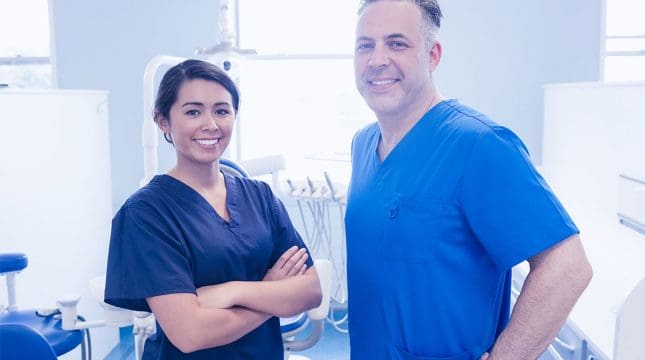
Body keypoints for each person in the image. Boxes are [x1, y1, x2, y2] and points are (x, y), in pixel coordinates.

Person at [344, 1, 593, 359]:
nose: (377, 59)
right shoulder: (362, 144)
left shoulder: (478, 144)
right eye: (365, 45)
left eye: (397, 43)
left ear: (433, 55)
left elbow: (568, 266)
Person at [104, 59, 322, 359]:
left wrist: (232, 291)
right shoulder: (146, 214)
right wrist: (270, 290)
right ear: (163, 121)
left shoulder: (259, 196)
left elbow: (310, 291)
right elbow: (190, 333)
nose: (211, 124)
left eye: (222, 111)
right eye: (193, 111)